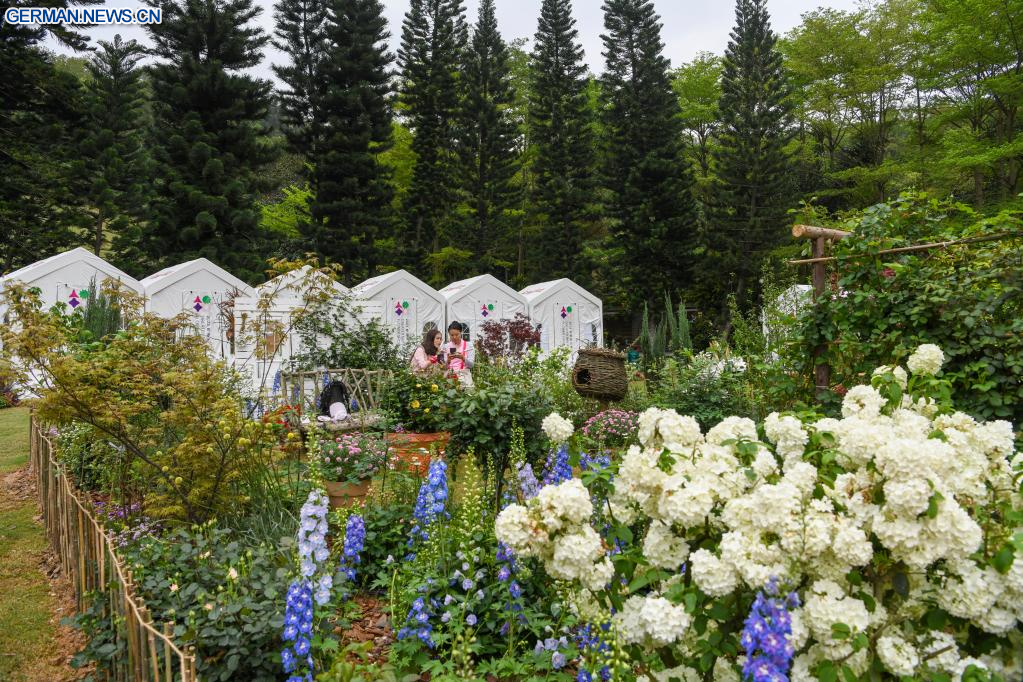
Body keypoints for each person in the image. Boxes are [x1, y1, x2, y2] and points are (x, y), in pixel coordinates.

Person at [445, 321, 474, 388]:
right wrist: (448, 360)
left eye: (457, 334)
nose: (454, 337)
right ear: (449, 334)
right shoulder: (446, 347)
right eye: (452, 335)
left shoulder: (469, 346)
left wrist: (462, 358)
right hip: (450, 377)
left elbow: (471, 365)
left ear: (461, 333)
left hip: (464, 375)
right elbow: (444, 367)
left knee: (468, 395)